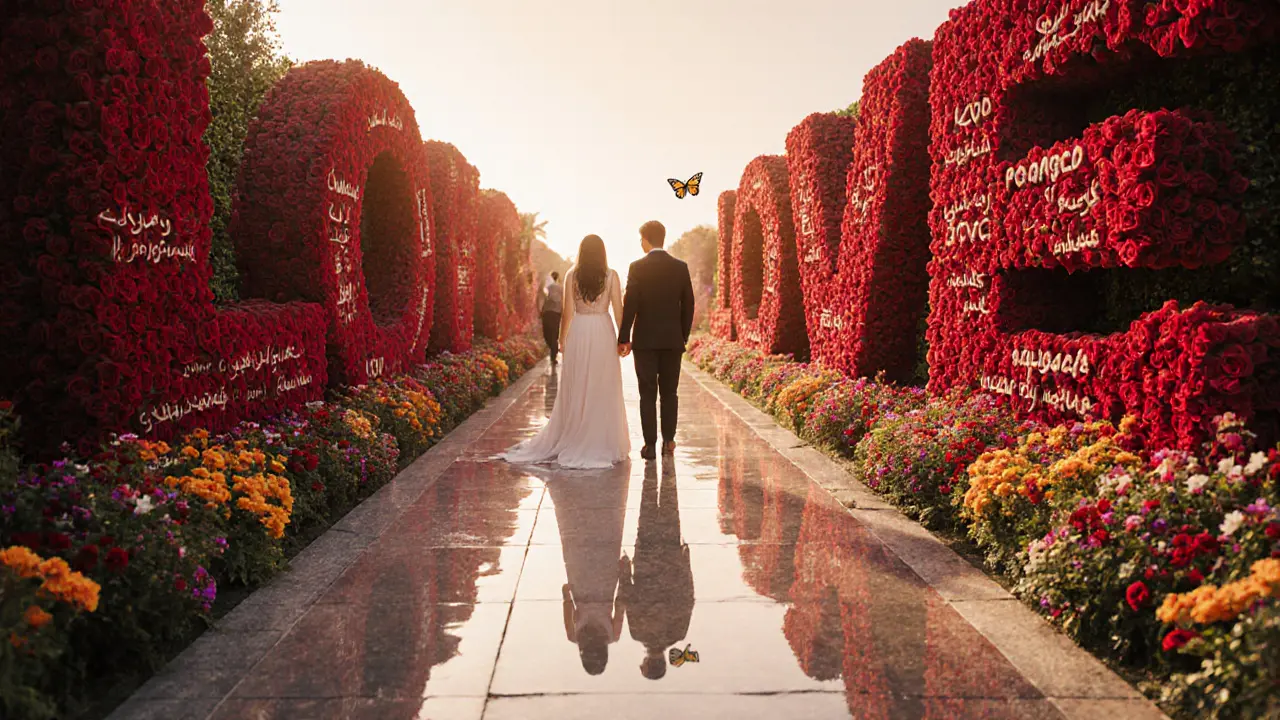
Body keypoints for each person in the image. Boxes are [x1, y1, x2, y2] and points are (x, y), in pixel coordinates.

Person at [501, 235, 630, 468]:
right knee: (603, 385)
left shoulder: (572, 275)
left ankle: (575, 434)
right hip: (602, 330)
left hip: (579, 330)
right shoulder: (612, 276)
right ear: (602, 252)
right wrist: (624, 339)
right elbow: (618, 310)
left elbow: (567, 313)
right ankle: (604, 441)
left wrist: (562, 341)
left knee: (578, 384)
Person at [617, 220, 695, 461]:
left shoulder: (637, 267)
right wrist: (682, 334)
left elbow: (630, 304)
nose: (640, 244)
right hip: (672, 341)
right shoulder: (680, 267)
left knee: (647, 393)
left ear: (647, 239)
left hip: (645, 342)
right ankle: (669, 441)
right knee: (670, 392)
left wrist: (624, 337)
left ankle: (650, 445)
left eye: (641, 239)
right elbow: (689, 304)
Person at [619, 456, 693, 680]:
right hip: (646, 557)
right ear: (646, 662)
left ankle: (662, 466)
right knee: (648, 501)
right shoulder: (637, 632)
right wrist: (625, 569)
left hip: (670, 556)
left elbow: (687, 596)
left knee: (670, 501)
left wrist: (686, 562)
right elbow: (627, 596)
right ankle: (652, 471)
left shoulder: (678, 632)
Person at [541, 271, 564, 365]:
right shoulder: (547, 287)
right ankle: (554, 350)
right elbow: (542, 298)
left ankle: (553, 355)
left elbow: (563, 299)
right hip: (550, 313)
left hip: (553, 313)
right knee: (550, 335)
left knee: (550, 335)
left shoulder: (560, 288)